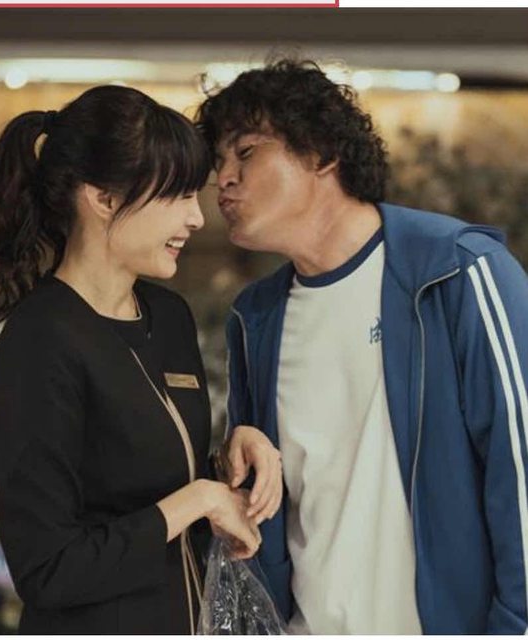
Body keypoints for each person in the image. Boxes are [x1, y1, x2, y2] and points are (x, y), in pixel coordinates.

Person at [196, 59, 528, 634]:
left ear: (322, 153)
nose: (223, 179)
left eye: (245, 152)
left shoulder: (457, 272)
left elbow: (519, 469)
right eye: (218, 164)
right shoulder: (255, 318)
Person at [0, 85, 282, 634]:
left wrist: (228, 463)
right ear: (104, 199)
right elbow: (49, 571)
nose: (197, 217)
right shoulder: (41, 341)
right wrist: (198, 500)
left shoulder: (168, 315)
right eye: (177, 195)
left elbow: (143, 481)